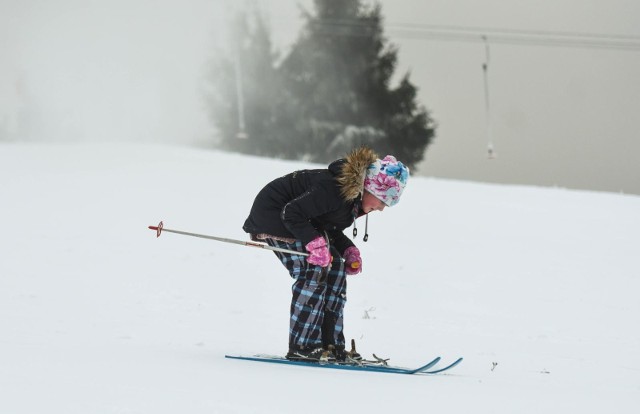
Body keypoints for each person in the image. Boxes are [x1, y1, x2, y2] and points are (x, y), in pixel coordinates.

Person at [242, 147, 409, 362]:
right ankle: (303, 345)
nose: (382, 209)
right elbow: (291, 213)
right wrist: (314, 244)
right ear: (370, 189)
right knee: (314, 269)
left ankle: (330, 345)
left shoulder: (350, 201)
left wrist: (347, 249)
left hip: (298, 221)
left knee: (336, 265)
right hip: (273, 216)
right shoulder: (334, 190)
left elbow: (327, 226)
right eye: (382, 201)